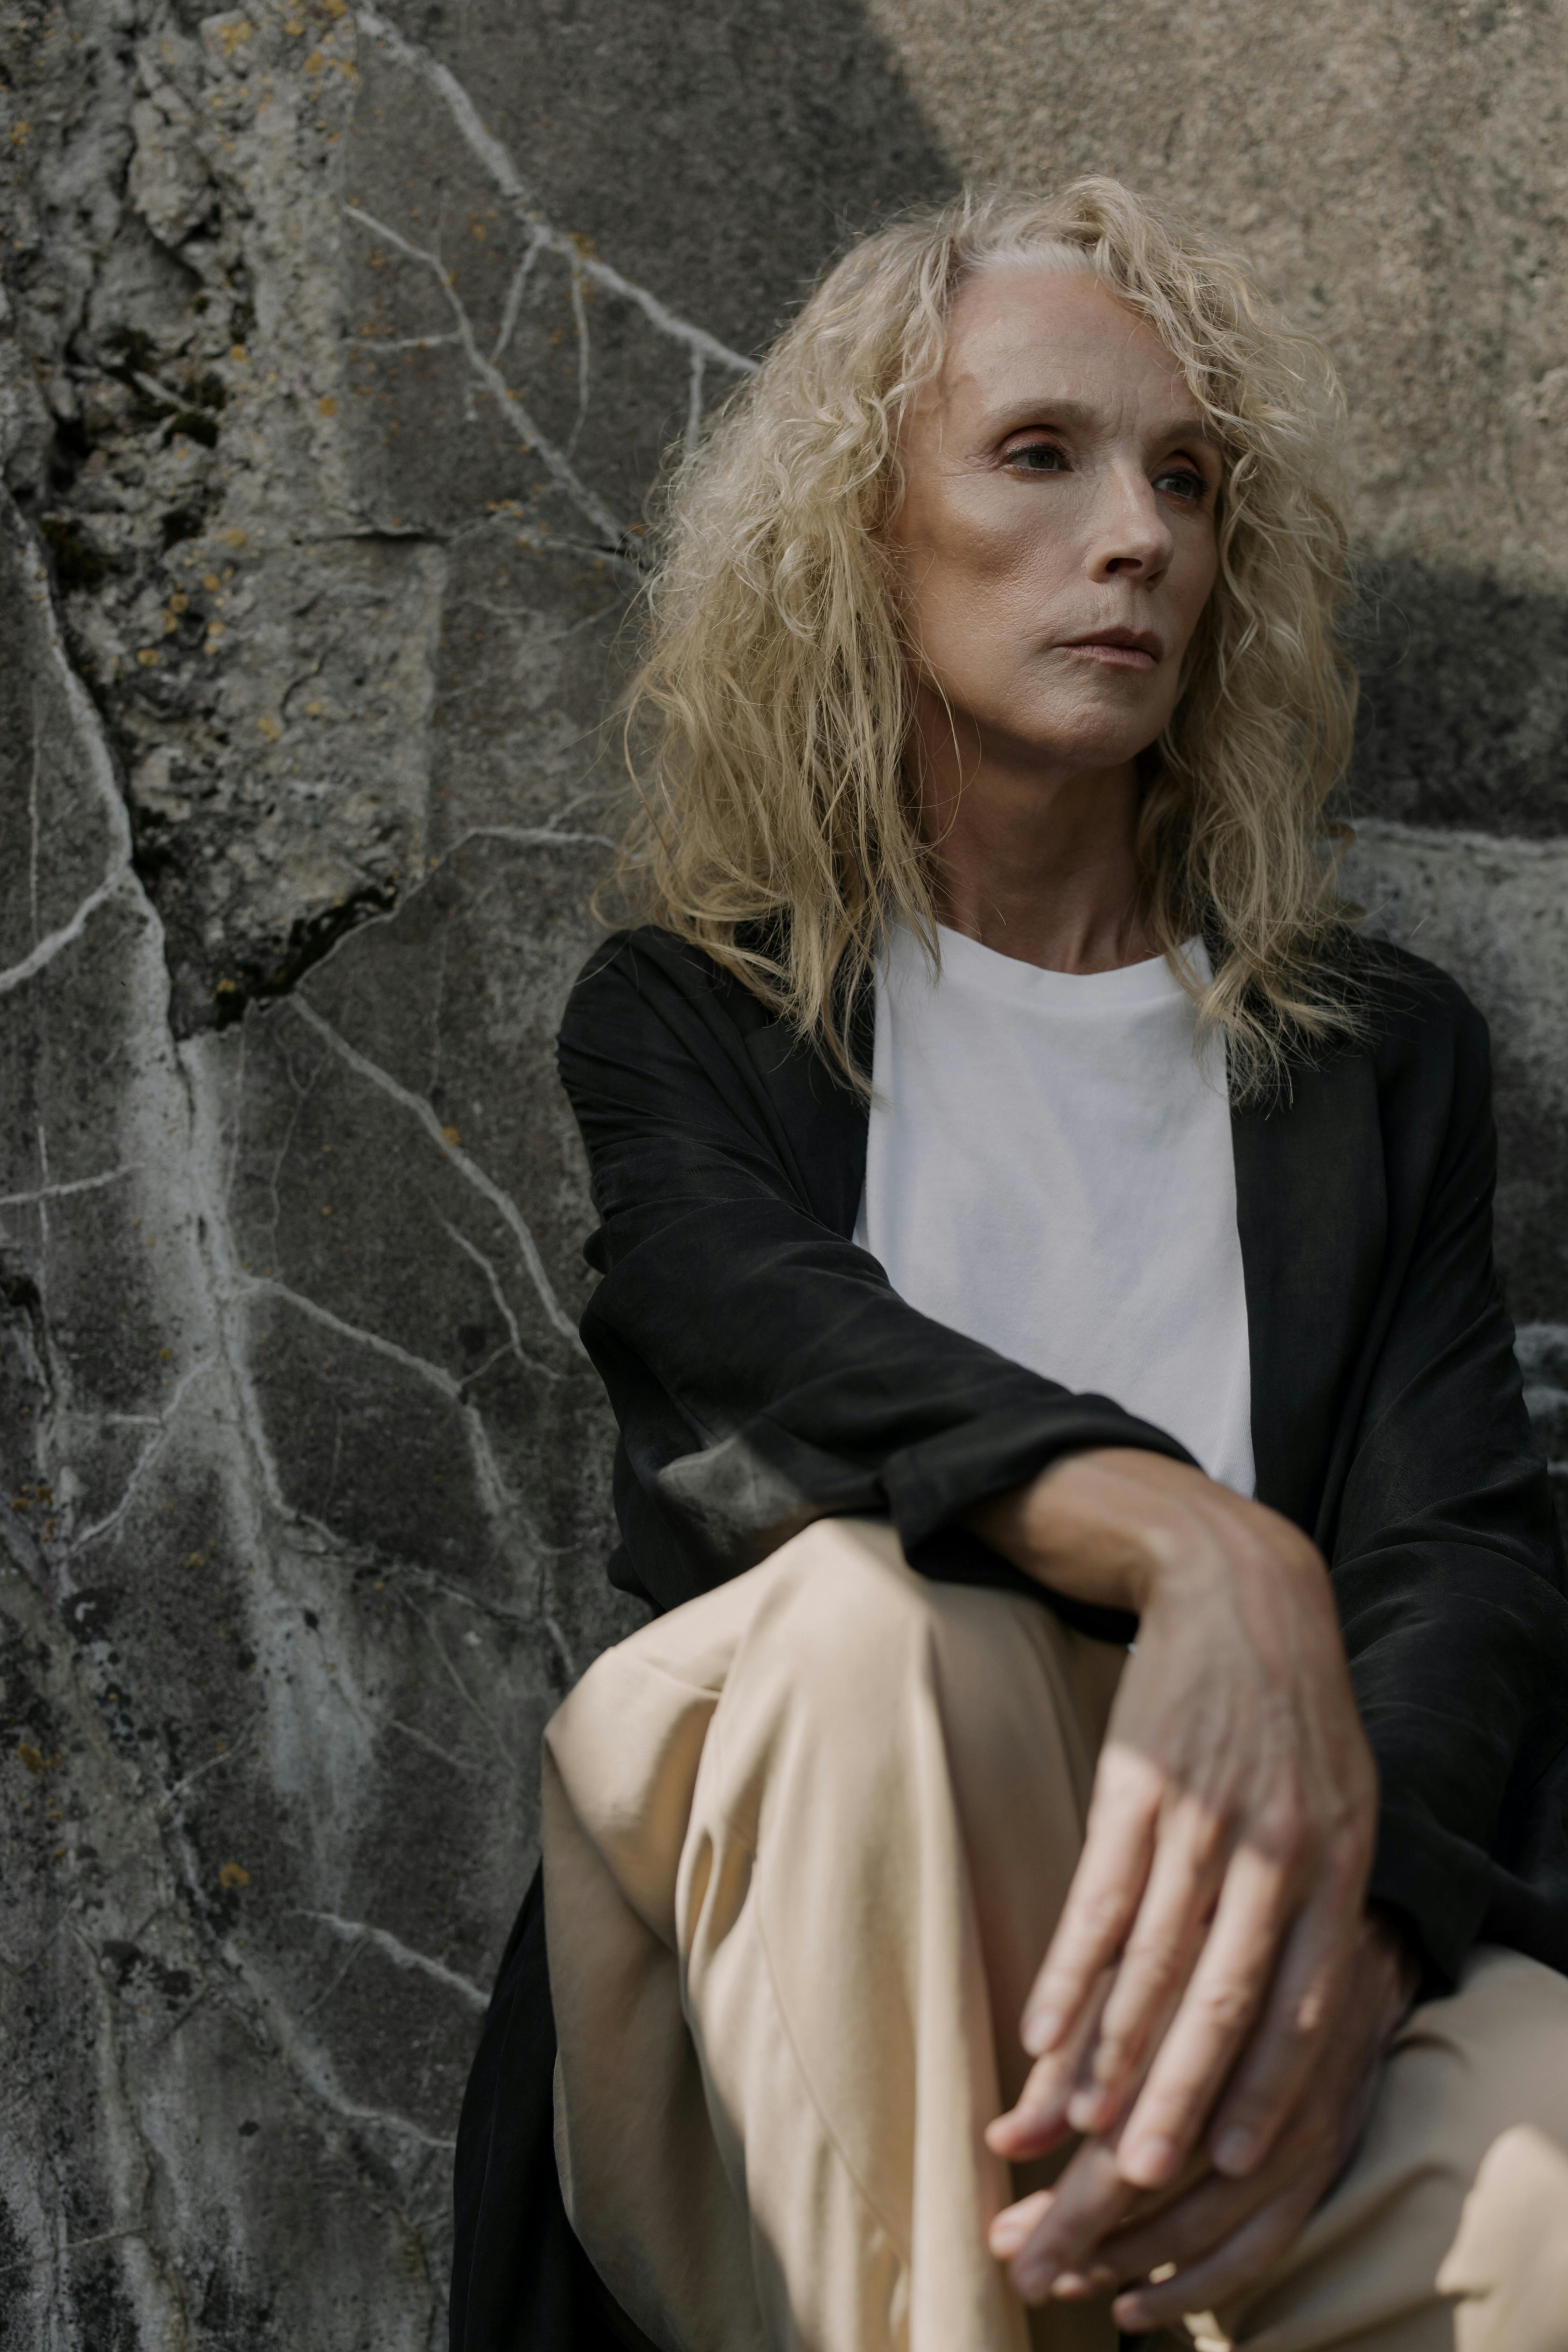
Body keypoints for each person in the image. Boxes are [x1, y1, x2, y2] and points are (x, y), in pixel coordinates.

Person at [449, 182, 1568, 2352]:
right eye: (1038, 456)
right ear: (867, 530)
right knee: (876, 1637)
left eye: (1185, 479)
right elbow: (765, 1362)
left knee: (1551, 2142)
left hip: (1219, 1983)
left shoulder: (1375, 1053)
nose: (1134, 534)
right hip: (801, 1990)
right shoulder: (696, 1016)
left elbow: (1464, 1554)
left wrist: (1369, 1921)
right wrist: (1207, 1552)